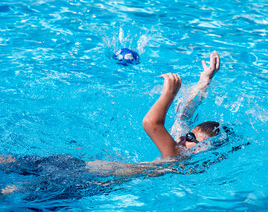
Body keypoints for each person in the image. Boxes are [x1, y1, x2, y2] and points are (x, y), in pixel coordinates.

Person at [0, 51, 221, 196]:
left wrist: (169, 94)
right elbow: (184, 115)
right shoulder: (182, 145)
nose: (184, 136)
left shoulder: (176, 158)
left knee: (13, 192)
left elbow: (151, 123)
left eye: (190, 138)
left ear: (202, 149)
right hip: (75, 166)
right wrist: (205, 81)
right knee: (12, 162)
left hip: (81, 180)